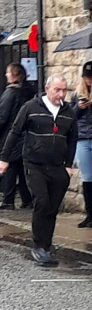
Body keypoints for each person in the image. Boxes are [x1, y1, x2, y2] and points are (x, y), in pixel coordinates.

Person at [0, 74, 78, 267]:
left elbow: (72, 138)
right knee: (41, 201)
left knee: (52, 207)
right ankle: (38, 245)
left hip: (58, 166)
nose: (60, 94)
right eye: (57, 90)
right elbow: (15, 132)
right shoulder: (31, 107)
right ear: (48, 88)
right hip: (34, 164)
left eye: (64, 91)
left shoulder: (68, 112)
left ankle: (47, 245)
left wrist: (68, 165)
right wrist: (4, 158)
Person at [0, 63, 34, 210]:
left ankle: (8, 199)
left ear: (15, 75)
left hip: (11, 134)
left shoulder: (10, 93)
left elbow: (2, 116)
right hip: (26, 134)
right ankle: (27, 199)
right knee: (20, 167)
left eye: (8, 72)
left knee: (9, 165)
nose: (6, 75)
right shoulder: (29, 91)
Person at [70, 61, 92, 228]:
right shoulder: (76, 94)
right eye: (86, 77)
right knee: (87, 177)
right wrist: (79, 108)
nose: (89, 80)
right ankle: (90, 214)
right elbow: (70, 117)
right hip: (83, 139)